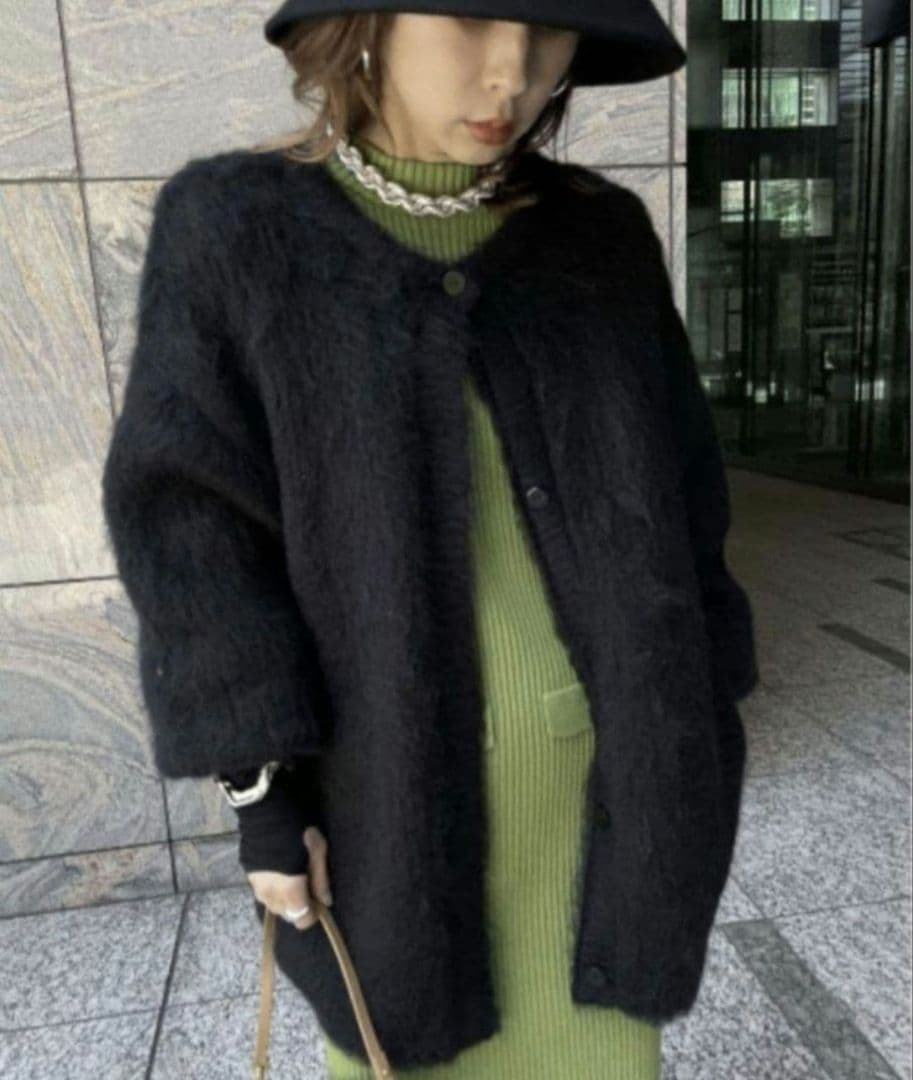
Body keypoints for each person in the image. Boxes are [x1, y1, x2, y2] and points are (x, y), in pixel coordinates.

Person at [102, 1, 756, 1076]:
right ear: (367, 19)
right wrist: (260, 793)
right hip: (381, 801)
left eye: (550, 33)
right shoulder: (236, 229)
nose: (512, 72)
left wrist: (710, 705)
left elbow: (686, 495)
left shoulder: (600, 237)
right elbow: (191, 526)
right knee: (395, 1044)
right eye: (468, 17)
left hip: (611, 793)